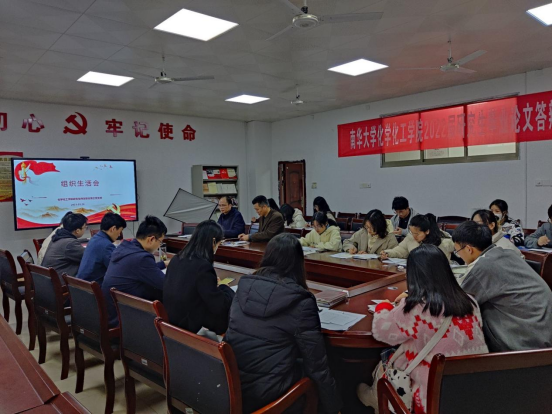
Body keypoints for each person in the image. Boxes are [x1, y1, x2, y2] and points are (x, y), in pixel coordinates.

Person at [357, 245, 489, 414]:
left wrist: (383, 307)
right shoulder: (470, 301)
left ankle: (375, 398)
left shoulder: (416, 307)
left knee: (388, 357)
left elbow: (381, 331)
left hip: (431, 398)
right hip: (473, 389)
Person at [224, 234, 343, 414]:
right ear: (298, 262)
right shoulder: (301, 302)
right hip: (268, 394)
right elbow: (317, 367)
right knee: (327, 362)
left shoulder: (244, 288)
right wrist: (335, 408)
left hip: (233, 384)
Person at [452, 222, 552, 352]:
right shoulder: (507, 253)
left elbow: (458, 301)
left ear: (468, 249)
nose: (458, 255)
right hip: (543, 332)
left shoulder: (484, 266)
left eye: (457, 251)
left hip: (525, 344)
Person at [164, 221, 235, 336]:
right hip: (190, 326)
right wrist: (224, 287)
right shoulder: (203, 267)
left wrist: (211, 283)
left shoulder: (176, 259)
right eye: (219, 243)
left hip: (173, 320)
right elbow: (218, 306)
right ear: (213, 241)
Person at [102, 216, 170, 327]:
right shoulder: (142, 258)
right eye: (160, 242)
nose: (159, 246)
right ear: (151, 239)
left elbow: (142, 269)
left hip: (113, 312)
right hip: (125, 319)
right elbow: (166, 285)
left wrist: (163, 264)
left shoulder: (124, 248)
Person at [77, 213, 127, 285]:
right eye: (120, 231)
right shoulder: (106, 245)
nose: (119, 235)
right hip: (94, 287)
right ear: (113, 229)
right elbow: (116, 269)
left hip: (82, 284)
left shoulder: (94, 238)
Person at [382, 214, 455, 261]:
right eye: (412, 232)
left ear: (427, 231)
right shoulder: (410, 237)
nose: (414, 236)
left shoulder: (444, 242)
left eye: (417, 234)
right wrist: (387, 253)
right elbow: (400, 250)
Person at [42, 212, 88, 281]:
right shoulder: (70, 243)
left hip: (50, 279)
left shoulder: (59, 236)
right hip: (60, 282)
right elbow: (88, 257)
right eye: (85, 227)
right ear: (77, 231)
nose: (85, 229)